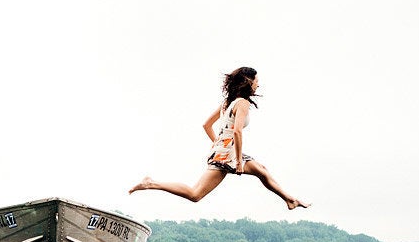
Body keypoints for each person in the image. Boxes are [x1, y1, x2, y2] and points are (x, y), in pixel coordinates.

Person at [129, 67, 309, 210]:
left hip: (224, 150)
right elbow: (238, 132)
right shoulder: (242, 103)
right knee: (195, 194)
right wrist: (237, 160)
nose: (258, 85)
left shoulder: (227, 103)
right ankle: (151, 183)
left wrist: (219, 144)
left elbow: (206, 125)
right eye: (257, 81)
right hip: (228, 154)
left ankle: (289, 199)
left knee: (261, 170)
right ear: (248, 81)